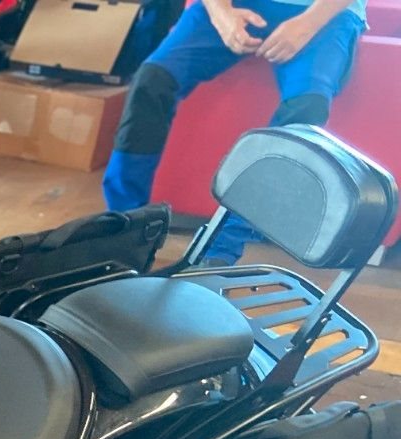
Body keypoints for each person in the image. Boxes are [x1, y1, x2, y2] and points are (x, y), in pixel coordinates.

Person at [102, 0, 366, 263]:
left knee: (305, 111)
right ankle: (126, 229)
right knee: (152, 80)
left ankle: (222, 248)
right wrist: (221, 13)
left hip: (324, 12)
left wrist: (307, 24)